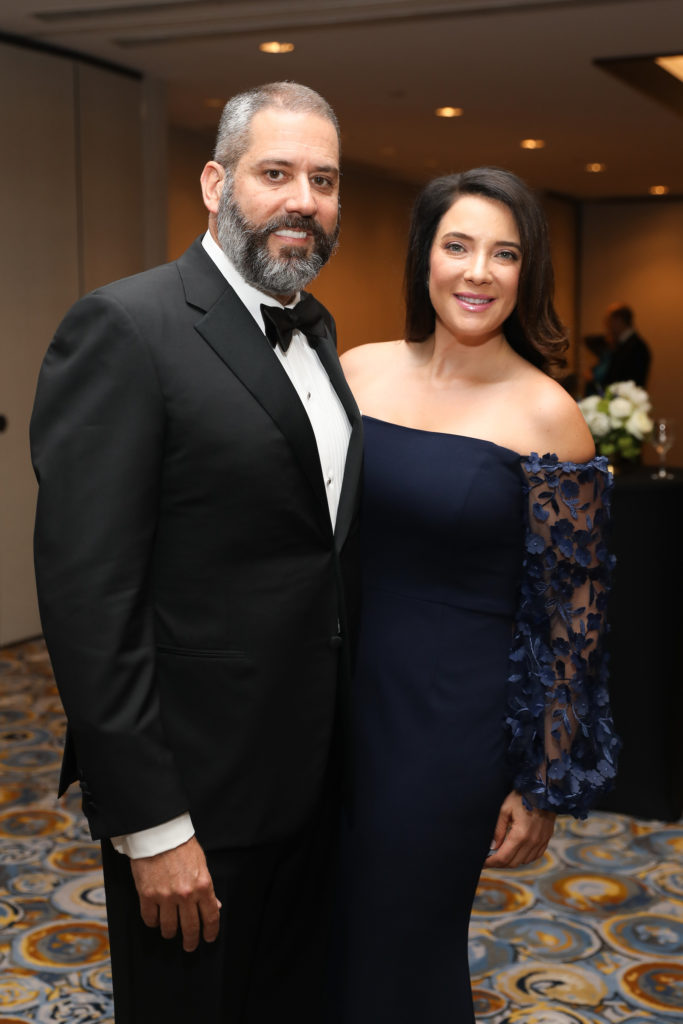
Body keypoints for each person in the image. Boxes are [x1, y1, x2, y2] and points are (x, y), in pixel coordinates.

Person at [30, 81, 362, 1024]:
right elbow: (91, 604)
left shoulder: (318, 331)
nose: (304, 198)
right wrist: (151, 824)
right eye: (276, 172)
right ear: (216, 182)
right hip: (195, 800)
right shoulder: (125, 329)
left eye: (325, 178)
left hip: (311, 784)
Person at [328, 168, 619, 1023]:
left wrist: (541, 781)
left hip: (448, 729)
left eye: (504, 254)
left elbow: (576, 619)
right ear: (425, 258)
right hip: (329, 703)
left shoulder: (549, 415)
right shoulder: (357, 370)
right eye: (457, 246)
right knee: (316, 936)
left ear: (526, 277)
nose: (477, 272)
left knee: (401, 946)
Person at [586, 303, 651, 393]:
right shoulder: (623, 344)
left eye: (609, 321)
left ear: (618, 320)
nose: (607, 325)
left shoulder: (636, 348)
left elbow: (625, 382)